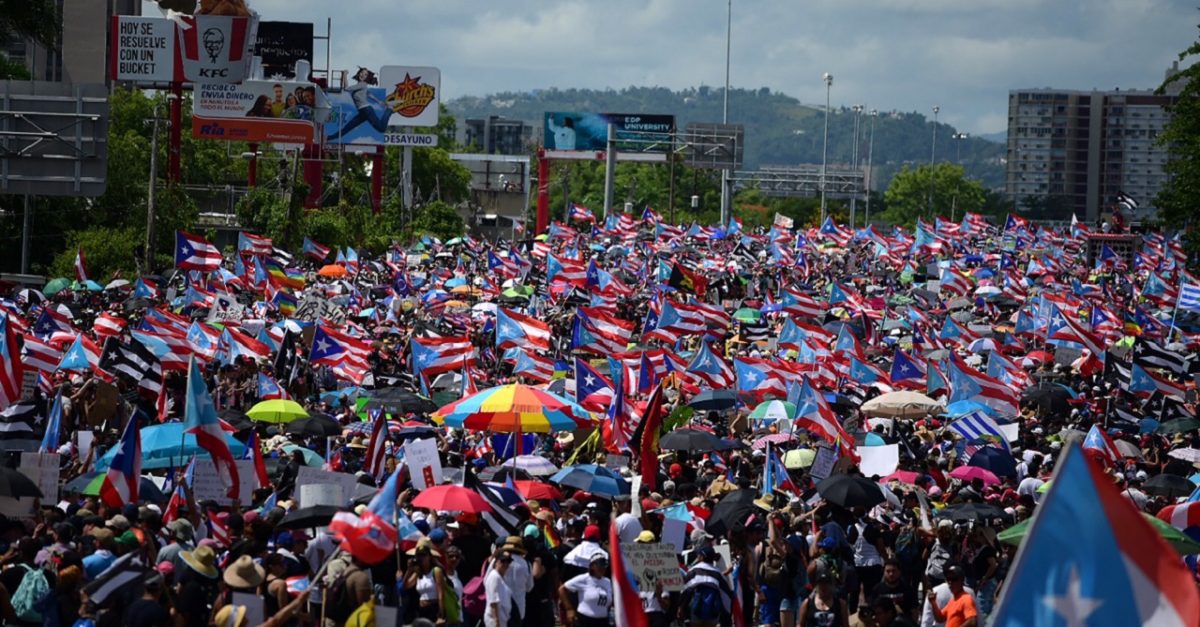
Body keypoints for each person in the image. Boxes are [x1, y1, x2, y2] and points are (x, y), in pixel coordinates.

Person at [328, 67, 390, 141]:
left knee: (382, 128)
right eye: (361, 73)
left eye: (365, 74)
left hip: (367, 110)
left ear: (366, 77)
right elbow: (369, 94)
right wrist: (379, 101)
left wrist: (344, 75)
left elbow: (347, 88)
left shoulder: (362, 84)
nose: (362, 75)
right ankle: (328, 138)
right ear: (359, 73)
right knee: (347, 128)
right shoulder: (361, 86)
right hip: (363, 112)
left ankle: (389, 111)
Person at [558, 552, 612, 627]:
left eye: (604, 565)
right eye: (600, 565)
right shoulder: (584, 579)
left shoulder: (607, 581)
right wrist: (569, 609)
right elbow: (562, 589)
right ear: (593, 566)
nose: (602, 568)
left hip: (602, 621)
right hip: (585, 621)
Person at [404, 539, 446, 623]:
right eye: (419, 555)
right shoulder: (418, 573)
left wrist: (441, 613)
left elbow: (441, 593)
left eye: (423, 555)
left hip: (434, 609)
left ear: (429, 557)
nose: (421, 558)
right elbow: (406, 585)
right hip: (422, 610)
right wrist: (409, 571)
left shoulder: (436, 571)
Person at [485, 550, 514, 627]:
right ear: (496, 561)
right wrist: (496, 621)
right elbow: (493, 600)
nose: (506, 564)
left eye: (508, 561)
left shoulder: (501, 577)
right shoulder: (494, 577)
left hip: (502, 619)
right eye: (503, 561)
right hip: (495, 620)